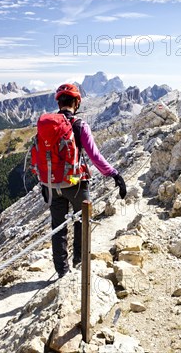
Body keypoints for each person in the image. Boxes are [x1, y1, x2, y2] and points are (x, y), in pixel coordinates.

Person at [43, 83, 126, 278]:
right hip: (76, 184)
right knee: (83, 222)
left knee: (58, 229)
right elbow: (95, 156)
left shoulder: (48, 124)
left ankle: (62, 272)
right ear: (76, 103)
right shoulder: (80, 125)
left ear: (59, 102)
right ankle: (79, 262)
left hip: (51, 185)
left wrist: (44, 183)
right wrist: (115, 174)